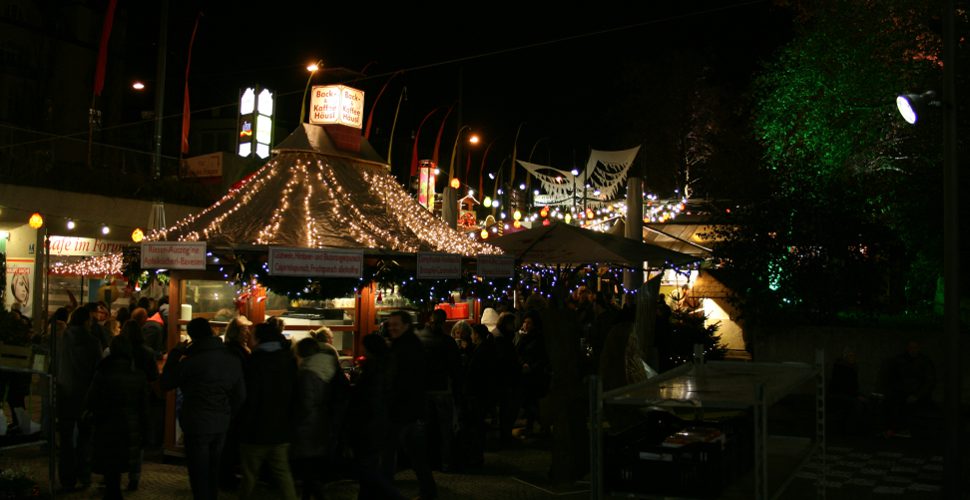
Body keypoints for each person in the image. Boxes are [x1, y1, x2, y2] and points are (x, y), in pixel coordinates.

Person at [160, 318, 246, 500]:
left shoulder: (191, 361)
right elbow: (240, 395)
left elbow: (166, 383)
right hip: (220, 421)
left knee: (199, 471)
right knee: (214, 469)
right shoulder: (230, 359)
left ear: (192, 336)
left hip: (196, 421)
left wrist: (175, 355)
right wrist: (228, 415)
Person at [237, 323, 298, 500]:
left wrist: (243, 424)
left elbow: (249, 397)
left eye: (252, 335)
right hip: (281, 427)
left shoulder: (254, 361)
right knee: (283, 474)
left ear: (259, 338)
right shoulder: (288, 359)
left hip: (255, 429)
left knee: (249, 475)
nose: (249, 338)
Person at [84, 334, 149, 500]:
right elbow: (144, 405)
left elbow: (91, 399)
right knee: (121, 461)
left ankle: (112, 492)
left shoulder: (103, 371)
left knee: (111, 464)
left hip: (106, 423)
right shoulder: (137, 374)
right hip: (129, 424)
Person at [382, 310, 437, 500]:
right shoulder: (407, 344)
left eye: (395, 324)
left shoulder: (406, 348)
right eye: (390, 325)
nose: (392, 328)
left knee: (388, 453)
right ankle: (428, 491)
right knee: (416, 454)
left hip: (403, 410)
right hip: (410, 409)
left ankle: (385, 491)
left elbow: (404, 380)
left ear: (406, 325)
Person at [348, 333, 404, 500]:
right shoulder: (386, 366)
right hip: (379, 423)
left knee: (367, 469)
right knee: (369, 468)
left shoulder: (374, 370)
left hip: (370, 425)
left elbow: (369, 400)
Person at [54, 305, 104, 492]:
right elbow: (98, 370)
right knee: (85, 439)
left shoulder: (62, 339)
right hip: (85, 395)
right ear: (86, 321)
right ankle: (84, 475)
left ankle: (67, 478)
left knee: (66, 440)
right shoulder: (92, 342)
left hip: (65, 393)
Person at [291, 337, 343, 500]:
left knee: (308, 466)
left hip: (309, 424)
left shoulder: (308, 372)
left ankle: (316, 495)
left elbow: (306, 401)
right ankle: (309, 494)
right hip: (324, 421)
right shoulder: (329, 365)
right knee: (313, 465)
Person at [420, 309, 463, 472]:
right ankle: (445, 462)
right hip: (442, 389)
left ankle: (427, 462)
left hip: (424, 390)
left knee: (426, 428)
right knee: (445, 429)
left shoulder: (419, 339)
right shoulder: (448, 342)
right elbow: (456, 369)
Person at [121, 320, 161, 486]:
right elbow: (153, 376)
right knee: (137, 436)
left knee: (120, 435)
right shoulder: (147, 352)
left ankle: (114, 472)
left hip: (120, 396)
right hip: (140, 397)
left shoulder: (118, 350)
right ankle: (134, 476)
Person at [219, 315, 252, 490]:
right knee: (230, 442)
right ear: (237, 333)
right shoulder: (236, 352)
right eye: (245, 330)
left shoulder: (235, 349)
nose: (248, 333)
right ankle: (226, 477)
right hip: (234, 403)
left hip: (234, 402)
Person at [884, 339, 936, 437]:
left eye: (915, 348)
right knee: (893, 402)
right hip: (902, 391)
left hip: (917, 393)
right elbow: (893, 377)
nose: (913, 350)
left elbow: (929, 381)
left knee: (907, 405)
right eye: (910, 348)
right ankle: (893, 428)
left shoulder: (924, 361)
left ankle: (902, 428)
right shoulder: (900, 360)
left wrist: (917, 395)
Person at [514, 311, 551, 438]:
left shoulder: (539, 338)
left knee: (532, 403)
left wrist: (531, 367)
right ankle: (536, 426)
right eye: (525, 322)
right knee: (530, 403)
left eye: (529, 323)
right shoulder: (523, 338)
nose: (526, 325)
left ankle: (539, 426)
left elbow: (542, 357)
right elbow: (517, 353)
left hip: (535, 376)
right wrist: (522, 364)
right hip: (526, 375)